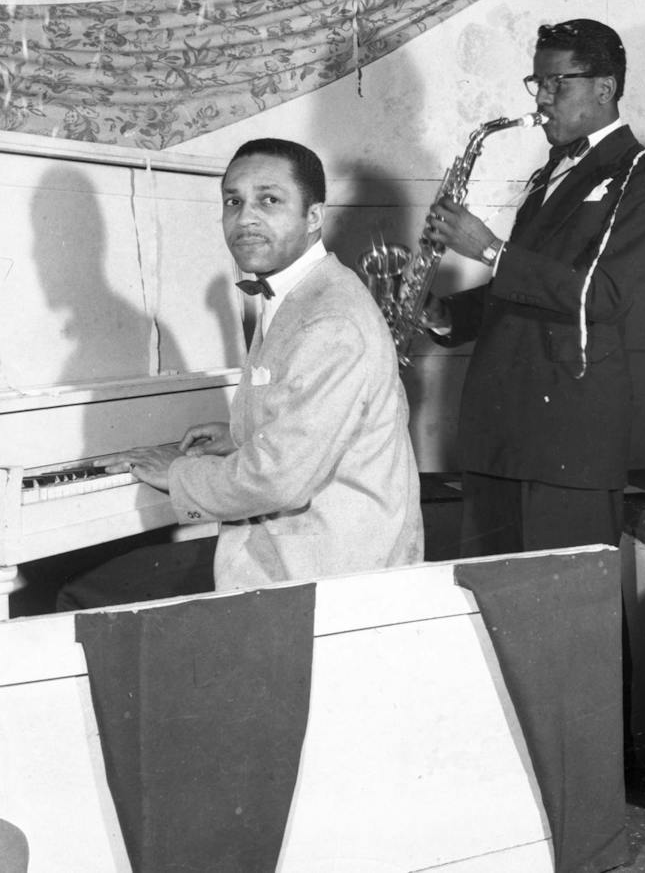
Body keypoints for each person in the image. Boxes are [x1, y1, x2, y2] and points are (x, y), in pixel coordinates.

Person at [63, 138, 424, 605]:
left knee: (87, 596)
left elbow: (278, 481)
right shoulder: (303, 291)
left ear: (313, 217)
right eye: (233, 201)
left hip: (329, 575)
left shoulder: (330, 318)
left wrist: (177, 472)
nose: (244, 218)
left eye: (268, 200)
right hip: (298, 550)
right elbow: (312, 425)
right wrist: (241, 437)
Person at [422, 19, 645, 557]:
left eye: (555, 83)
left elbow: (603, 295)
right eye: (537, 82)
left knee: (564, 619)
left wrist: (491, 251)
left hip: (568, 438)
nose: (541, 98)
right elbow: (528, 291)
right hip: (499, 434)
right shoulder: (549, 173)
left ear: (604, 88)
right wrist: (441, 312)